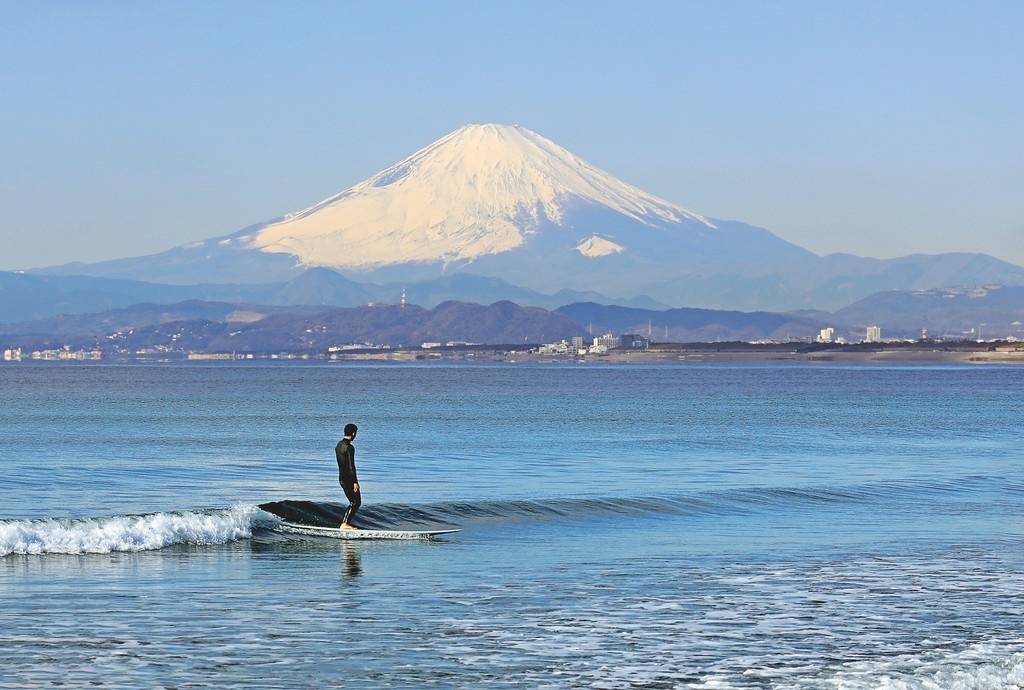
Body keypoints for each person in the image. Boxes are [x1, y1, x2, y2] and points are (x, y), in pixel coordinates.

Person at [335, 423, 360, 529]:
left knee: (353, 502)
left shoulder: (338, 445)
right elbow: (351, 466)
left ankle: (345, 523)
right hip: (348, 479)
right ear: (353, 433)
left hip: (341, 478)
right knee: (356, 502)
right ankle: (344, 524)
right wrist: (355, 482)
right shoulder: (349, 447)